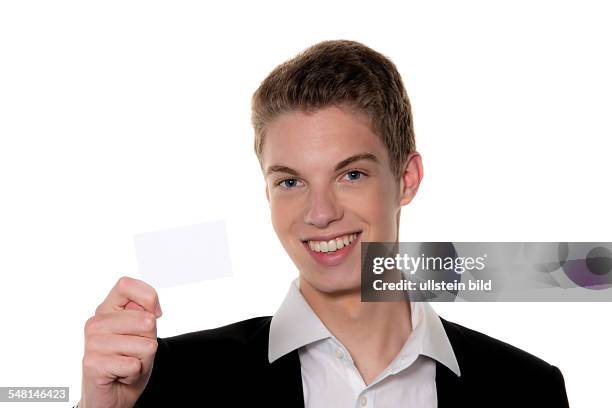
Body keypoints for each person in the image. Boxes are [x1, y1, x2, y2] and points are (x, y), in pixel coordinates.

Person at [76, 39, 570, 407]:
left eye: (351, 174)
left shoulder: (527, 390)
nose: (320, 213)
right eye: (291, 182)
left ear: (406, 179)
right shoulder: (172, 380)